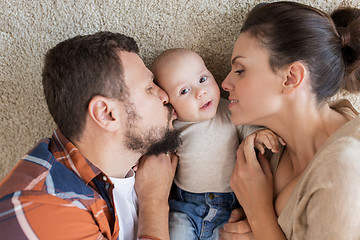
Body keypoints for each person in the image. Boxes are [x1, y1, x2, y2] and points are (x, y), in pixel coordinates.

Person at [0, 31, 182, 239]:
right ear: (106, 113)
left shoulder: (145, 168)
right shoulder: (42, 208)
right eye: (149, 88)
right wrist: (154, 203)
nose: (165, 96)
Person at [219, 2, 360, 239]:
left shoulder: (344, 169)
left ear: (291, 78)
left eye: (240, 70)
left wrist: (258, 213)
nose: (224, 83)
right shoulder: (270, 152)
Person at [151, 48, 284, 239]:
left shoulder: (229, 109)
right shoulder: (171, 128)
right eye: (185, 91)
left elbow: (248, 129)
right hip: (185, 208)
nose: (201, 92)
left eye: (203, 79)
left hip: (230, 208)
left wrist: (259, 134)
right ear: (169, 105)